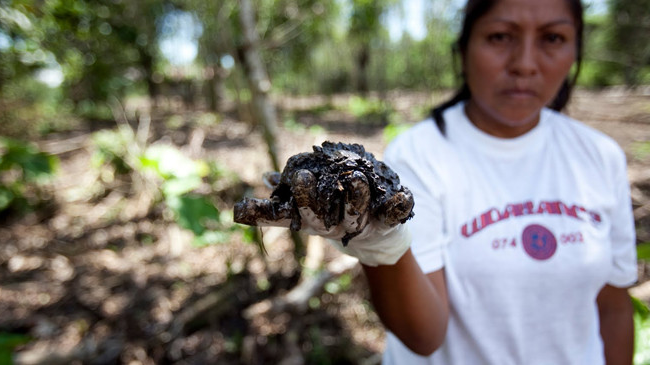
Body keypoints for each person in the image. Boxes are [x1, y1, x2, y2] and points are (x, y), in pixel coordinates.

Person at [259, 0, 638, 363]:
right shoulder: (419, 153)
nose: (525, 64)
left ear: (576, 49)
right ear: (465, 46)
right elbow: (423, 335)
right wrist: (378, 242)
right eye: (500, 37)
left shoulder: (599, 156)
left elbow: (614, 309)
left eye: (552, 38)